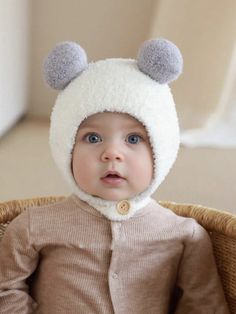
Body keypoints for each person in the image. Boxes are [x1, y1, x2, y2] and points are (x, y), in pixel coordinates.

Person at [0, 39, 229, 313]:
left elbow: (203, 305)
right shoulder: (32, 227)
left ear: (161, 150)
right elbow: (6, 288)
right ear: (66, 148)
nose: (112, 153)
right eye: (92, 137)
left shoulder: (185, 235)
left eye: (133, 138)